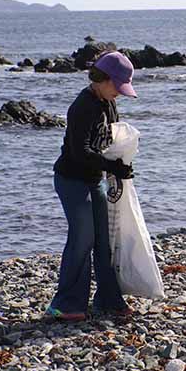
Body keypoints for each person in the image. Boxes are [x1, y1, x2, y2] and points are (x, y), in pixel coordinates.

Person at [46, 51, 138, 321]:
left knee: (104, 241)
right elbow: (79, 152)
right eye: (118, 87)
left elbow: (108, 140)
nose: (120, 93)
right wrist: (113, 167)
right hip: (72, 181)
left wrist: (121, 161)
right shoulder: (83, 106)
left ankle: (109, 301)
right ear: (103, 79)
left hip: (94, 178)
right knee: (82, 239)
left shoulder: (108, 102)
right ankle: (65, 304)